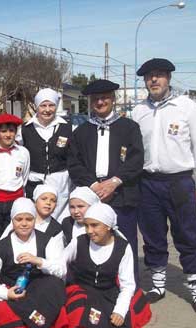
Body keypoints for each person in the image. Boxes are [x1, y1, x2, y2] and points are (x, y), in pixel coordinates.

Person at [132, 58, 196, 314]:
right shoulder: (138, 111)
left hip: (179, 181)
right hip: (147, 183)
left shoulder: (185, 107)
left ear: (168, 78)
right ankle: (157, 285)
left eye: (158, 75)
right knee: (153, 236)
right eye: (148, 77)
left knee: (188, 235)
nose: (153, 80)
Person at [68, 79, 144, 281]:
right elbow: (74, 164)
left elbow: (136, 160)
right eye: (95, 99)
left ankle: (130, 290)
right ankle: (98, 288)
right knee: (94, 243)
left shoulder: (129, 128)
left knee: (125, 243)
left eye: (104, 97)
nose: (100, 102)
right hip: (92, 196)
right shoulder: (81, 132)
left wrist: (114, 182)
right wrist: (95, 186)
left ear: (113, 99)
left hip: (122, 194)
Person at [63, 203, 151, 328]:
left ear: (109, 226)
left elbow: (128, 285)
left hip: (107, 294)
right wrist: (40, 262)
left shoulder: (122, 247)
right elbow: (59, 264)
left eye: (95, 225)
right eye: (86, 225)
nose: (89, 230)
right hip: (81, 293)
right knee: (81, 308)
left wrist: (119, 311)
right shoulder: (79, 242)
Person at [0, 198, 68, 328]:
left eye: (29, 219)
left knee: (54, 285)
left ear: (35, 219)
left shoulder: (47, 240)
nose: (24, 223)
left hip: (39, 288)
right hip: (13, 289)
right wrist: (6, 294)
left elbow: (61, 270)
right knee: (6, 311)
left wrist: (38, 261)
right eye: (19, 219)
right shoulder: (1, 246)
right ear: (12, 221)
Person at [17, 88, 73, 220]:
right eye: (43, 105)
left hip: (61, 182)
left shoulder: (68, 128)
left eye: (51, 105)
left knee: (60, 221)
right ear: (37, 107)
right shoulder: (25, 130)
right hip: (35, 182)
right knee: (37, 220)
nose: (47, 110)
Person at [0, 113, 30, 249]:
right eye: (4, 131)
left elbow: (24, 177)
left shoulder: (23, 152)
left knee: (14, 236)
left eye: (11, 131)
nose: (8, 135)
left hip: (15, 201)